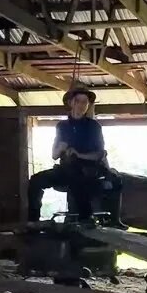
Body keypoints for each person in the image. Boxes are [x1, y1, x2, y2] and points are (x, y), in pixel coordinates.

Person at [26, 85, 126, 228]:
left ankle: (86, 218)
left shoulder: (93, 127)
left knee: (80, 178)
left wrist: (79, 154)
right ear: (71, 103)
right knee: (36, 180)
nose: (81, 105)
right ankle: (33, 220)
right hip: (65, 169)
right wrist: (60, 149)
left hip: (88, 170)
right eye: (78, 101)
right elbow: (54, 155)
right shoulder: (62, 126)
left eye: (85, 102)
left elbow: (99, 154)